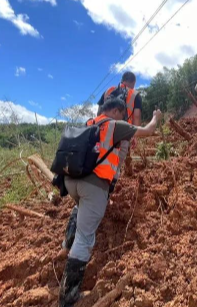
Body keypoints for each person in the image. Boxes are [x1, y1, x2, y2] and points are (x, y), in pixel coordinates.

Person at [59, 98, 161, 307]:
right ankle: (68, 296)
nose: (123, 118)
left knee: (80, 208)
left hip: (71, 182)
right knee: (85, 238)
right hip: (94, 186)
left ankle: (64, 245)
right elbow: (148, 130)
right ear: (116, 111)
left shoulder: (90, 123)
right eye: (122, 114)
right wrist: (156, 117)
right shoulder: (115, 125)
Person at [97, 71, 142, 176]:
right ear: (133, 82)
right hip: (123, 134)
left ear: (122, 80)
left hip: (103, 132)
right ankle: (109, 184)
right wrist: (135, 136)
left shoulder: (108, 91)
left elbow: (99, 112)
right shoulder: (135, 95)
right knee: (115, 167)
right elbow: (136, 116)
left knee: (99, 162)